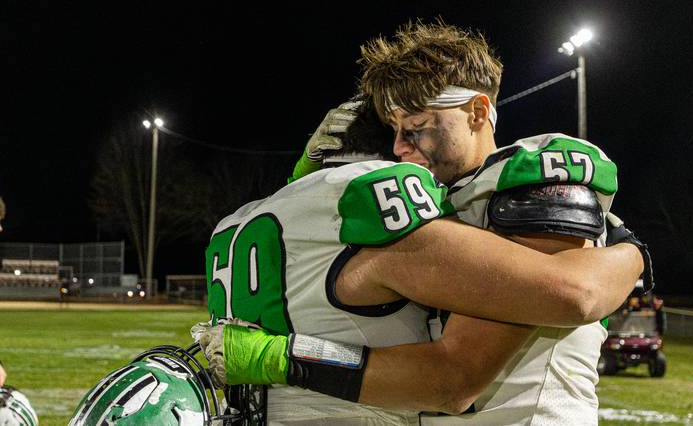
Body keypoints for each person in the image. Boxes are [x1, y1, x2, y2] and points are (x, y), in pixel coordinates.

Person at [196, 22, 650, 425]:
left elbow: (571, 296)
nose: (398, 147)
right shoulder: (431, 203)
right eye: (393, 129)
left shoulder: (527, 181)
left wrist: (633, 255)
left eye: (414, 126)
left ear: (477, 111)